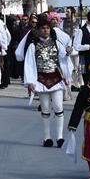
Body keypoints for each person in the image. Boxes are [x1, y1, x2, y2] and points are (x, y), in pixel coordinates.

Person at [23, 17, 69, 147]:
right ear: (38, 30)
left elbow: (63, 57)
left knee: (58, 106)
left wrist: (68, 52)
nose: (45, 30)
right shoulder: (33, 46)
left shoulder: (56, 43)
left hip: (56, 78)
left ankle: (60, 137)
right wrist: (30, 81)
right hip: (41, 79)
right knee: (45, 108)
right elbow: (29, 64)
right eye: (43, 28)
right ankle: (47, 137)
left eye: (47, 28)